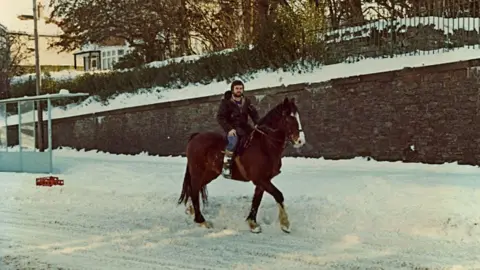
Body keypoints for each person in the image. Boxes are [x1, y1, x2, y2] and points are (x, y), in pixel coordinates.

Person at [216, 80, 260, 178]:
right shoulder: (226, 102)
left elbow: (254, 113)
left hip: (245, 127)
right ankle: (226, 166)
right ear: (232, 90)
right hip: (232, 129)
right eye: (237, 88)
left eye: (241, 88)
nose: (239, 90)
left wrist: (257, 123)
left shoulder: (246, 101)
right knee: (233, 142)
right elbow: (220, 117)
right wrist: (229, 129)